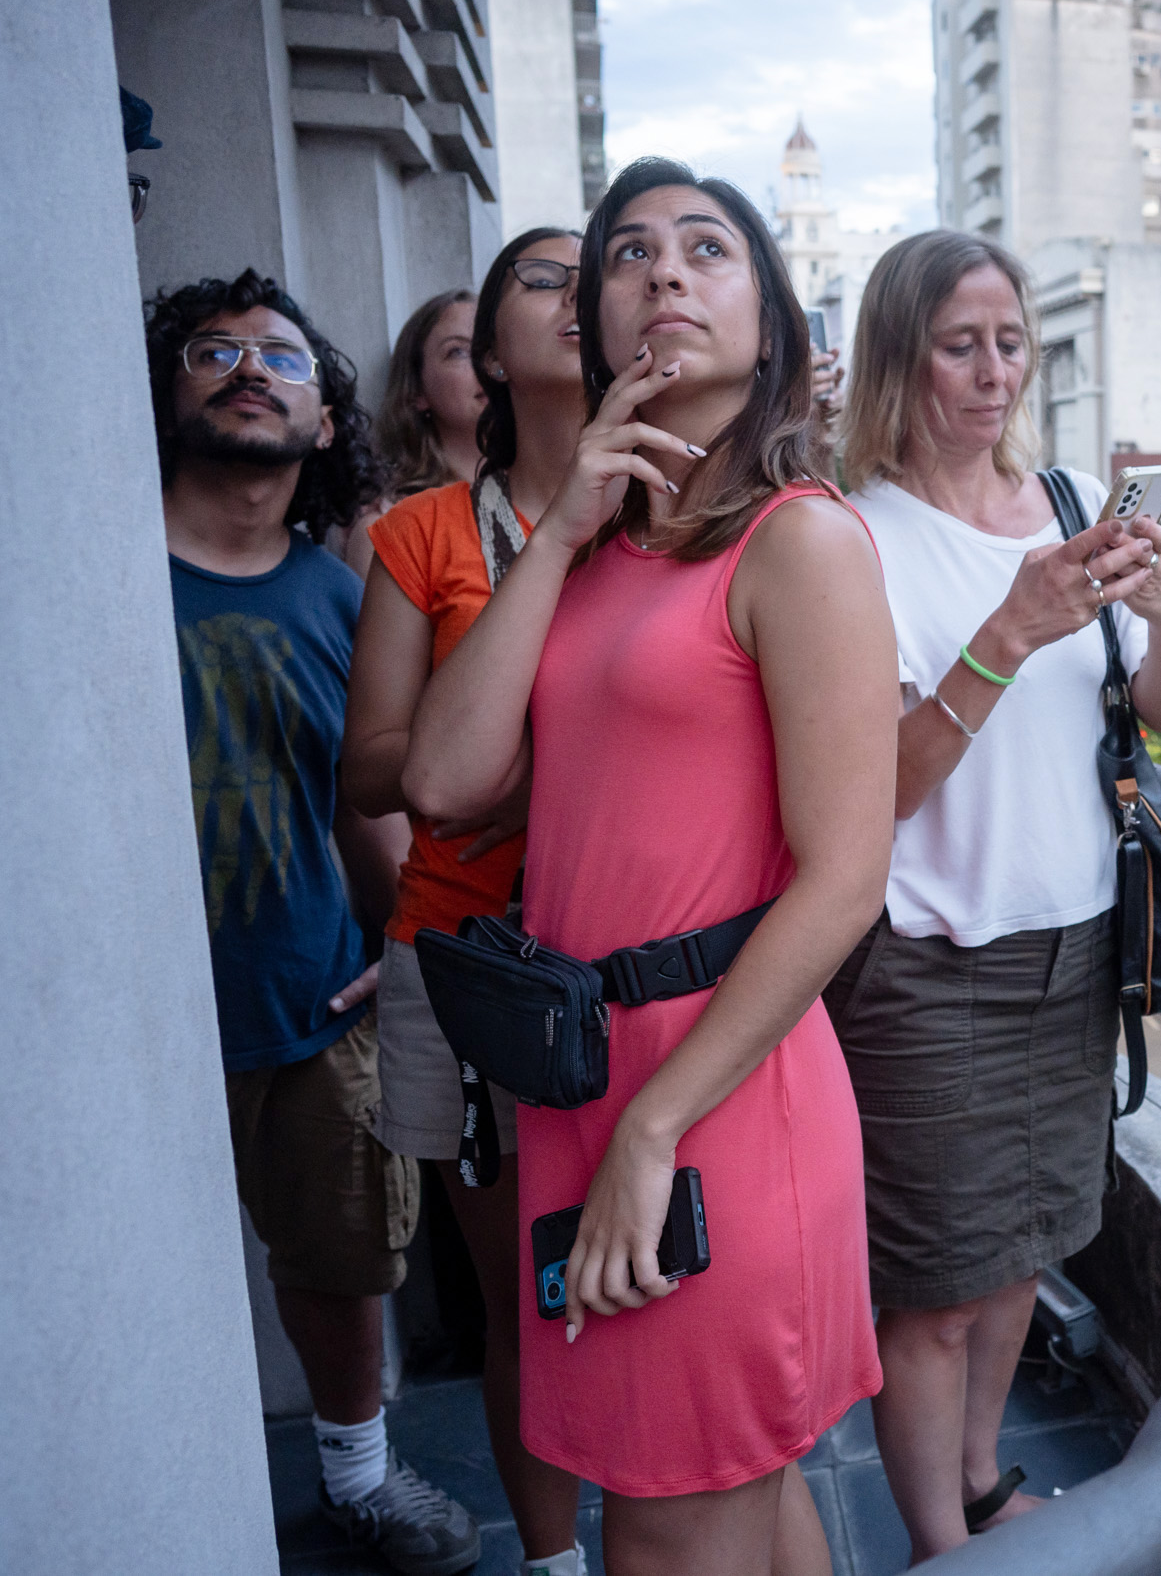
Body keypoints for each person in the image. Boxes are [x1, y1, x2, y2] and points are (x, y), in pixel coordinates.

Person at [404, 157, 893, 1575]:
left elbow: (844, 875)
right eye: (627, 254)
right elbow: (441, 779)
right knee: (717, 1491)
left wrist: (656, 1122)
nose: (662, 271)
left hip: (713, 1092)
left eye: (706, 248)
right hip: (586, 1076)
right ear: (596, 326)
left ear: (774, 327)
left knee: (674, 1521)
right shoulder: (595, 550)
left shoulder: (799, 543)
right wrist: (555, 530)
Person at [826, 228, 1161, 1563]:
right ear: (899, 357)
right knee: (931, 1289)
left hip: (1074, 943)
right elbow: (884, 785)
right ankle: (937, 1542)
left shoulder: (1070, 492)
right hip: (931, 958)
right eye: (958, 344)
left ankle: (979, 1481)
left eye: (1011, 342)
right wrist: (1006, 630)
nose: (992, 372)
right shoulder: (855, 538)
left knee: (1025, 1249)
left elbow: (1152, 704)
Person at [151, 269, 479, 1575]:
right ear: (165, 393)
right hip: (121, 1022)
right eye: (214, 350)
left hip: (309, 997)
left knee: (346, 1258)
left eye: (282, 356)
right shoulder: (83, 572)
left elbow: (370, 801)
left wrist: (399, 951)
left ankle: (357, 1474)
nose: (249, 367)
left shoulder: (341, 599)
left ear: (327, 421)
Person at [344, 229, 591, 1575]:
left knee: (673, 1277)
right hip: (470, 961)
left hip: (639, 953)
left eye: (587, 271)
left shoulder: (672, 511)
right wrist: (517, 762)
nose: (576, 290)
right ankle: (553, 1561)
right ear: (491, 352)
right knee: (527, 1298)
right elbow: (378, 766)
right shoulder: (423, 532)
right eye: (539, 279)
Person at [373, 287, 487, 498]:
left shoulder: (555, 489)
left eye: (494, 347)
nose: (486, 364)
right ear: (416, 390)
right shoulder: (393, 520)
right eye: (458, 351)